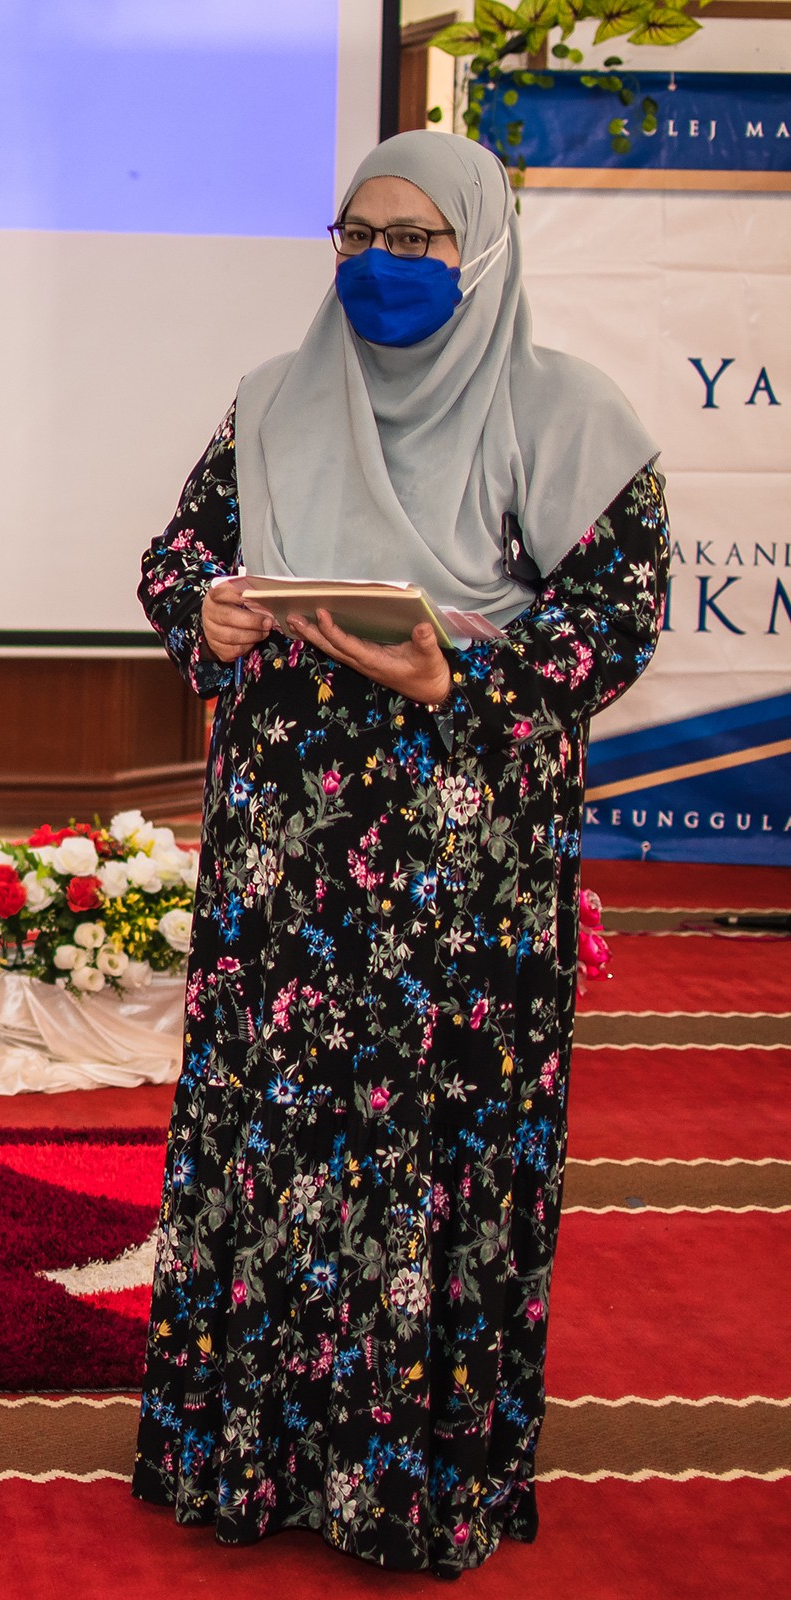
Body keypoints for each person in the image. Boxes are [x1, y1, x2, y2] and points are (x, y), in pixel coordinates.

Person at [132, 132, 669, 1576]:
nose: (381, 263)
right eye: (358, 233)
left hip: (463, 869)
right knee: (276, 1137)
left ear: (479, 250)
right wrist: (211, 609)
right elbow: (178, 557)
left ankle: (416, 1480)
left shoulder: (569, 414)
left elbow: (618, 617)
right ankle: (249, 1456)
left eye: (417, 239)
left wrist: (463, 678)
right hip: (287, 860)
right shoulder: (273, 399)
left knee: (434, 1149)